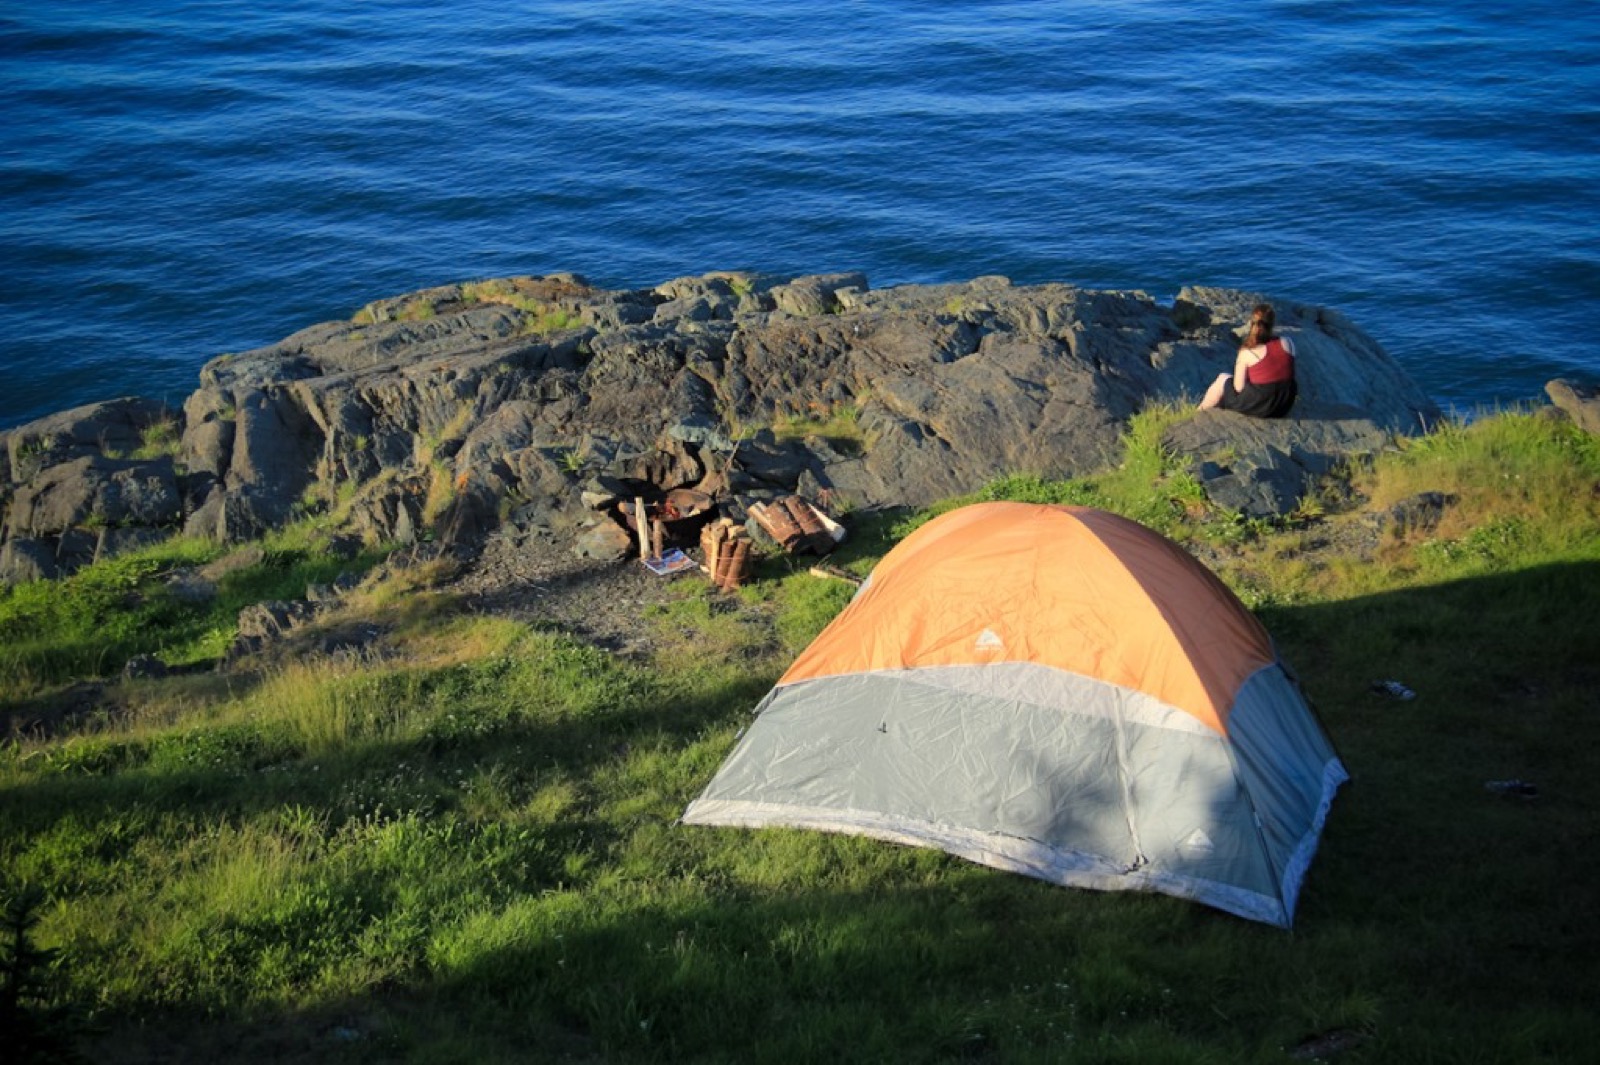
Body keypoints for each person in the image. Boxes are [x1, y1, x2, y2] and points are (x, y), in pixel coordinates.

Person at [1199, 302, 1298, 417]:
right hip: (1284, 405)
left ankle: (1198, 413)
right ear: (1272, 323)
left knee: (1223, 378)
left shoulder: (1247, 351)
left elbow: (1238, 388)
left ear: (1252, 324)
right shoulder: (1288, 342)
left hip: (1261, 406)